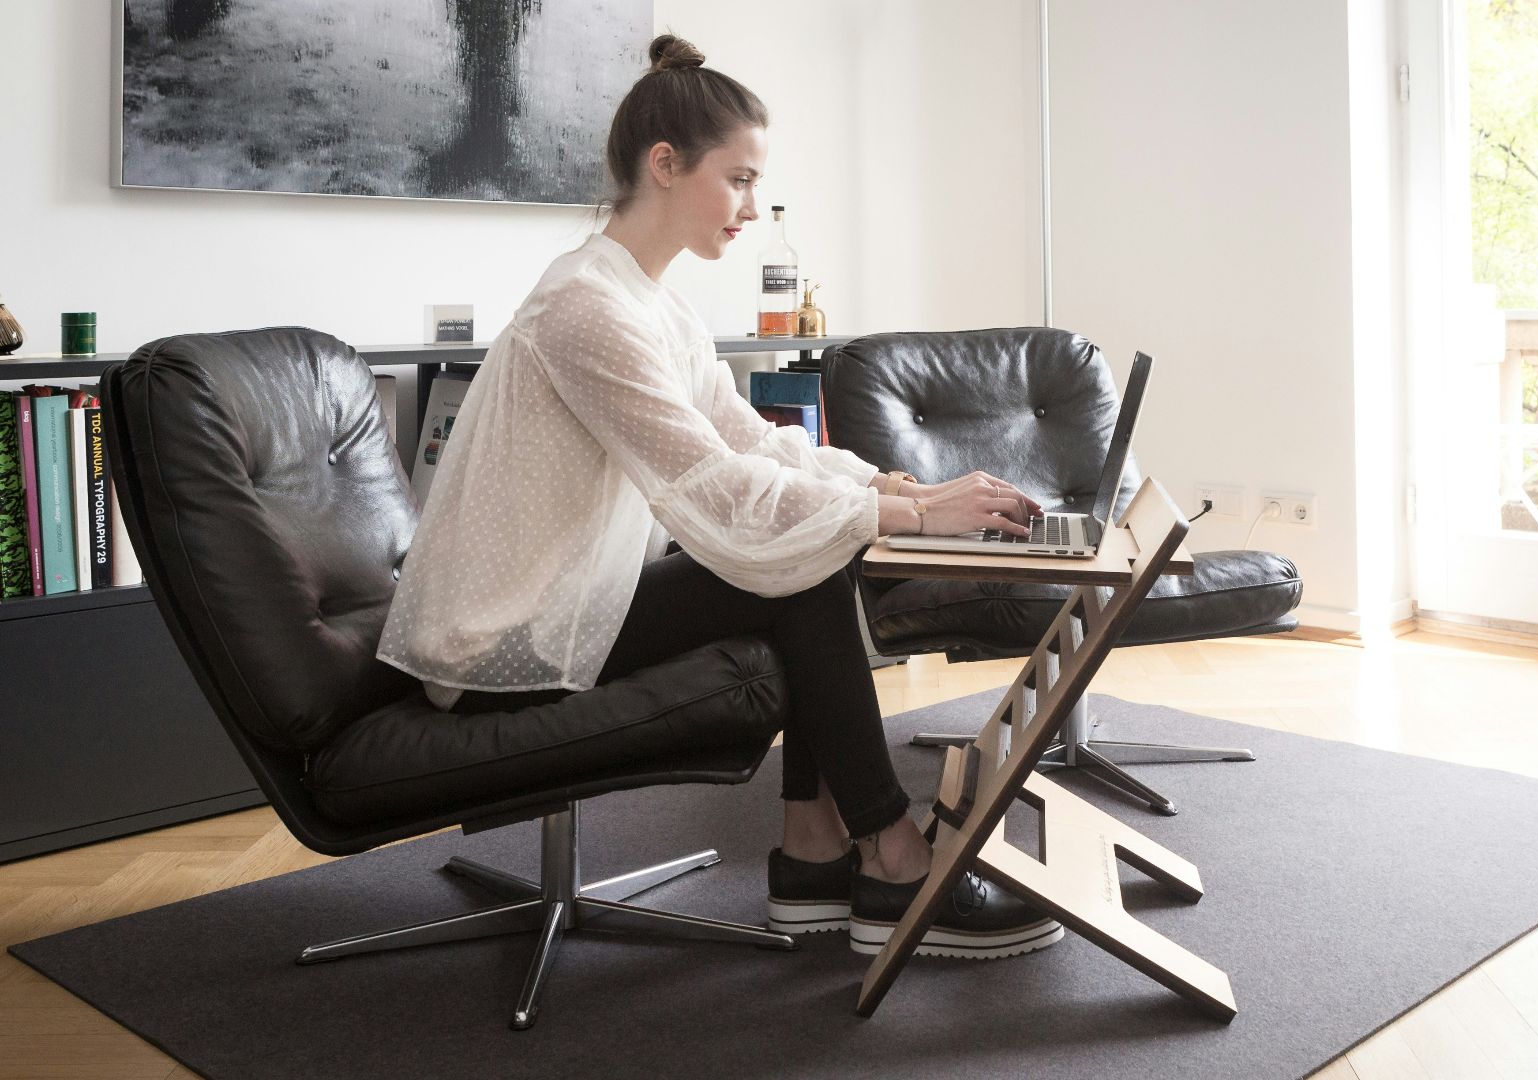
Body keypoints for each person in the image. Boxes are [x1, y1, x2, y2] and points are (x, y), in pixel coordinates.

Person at [376, 33, 1062, 960]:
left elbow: (752, 442)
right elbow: (712, 482)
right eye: (738, 181)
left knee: (815, 552)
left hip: (573, 604)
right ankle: (891, 862)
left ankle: (817, 857)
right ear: (666, 165)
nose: (750, 208)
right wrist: (899, 516)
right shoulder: (585, 305)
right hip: (505, 638)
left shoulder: (653, 304)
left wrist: (896, 487)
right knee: (810, 569)